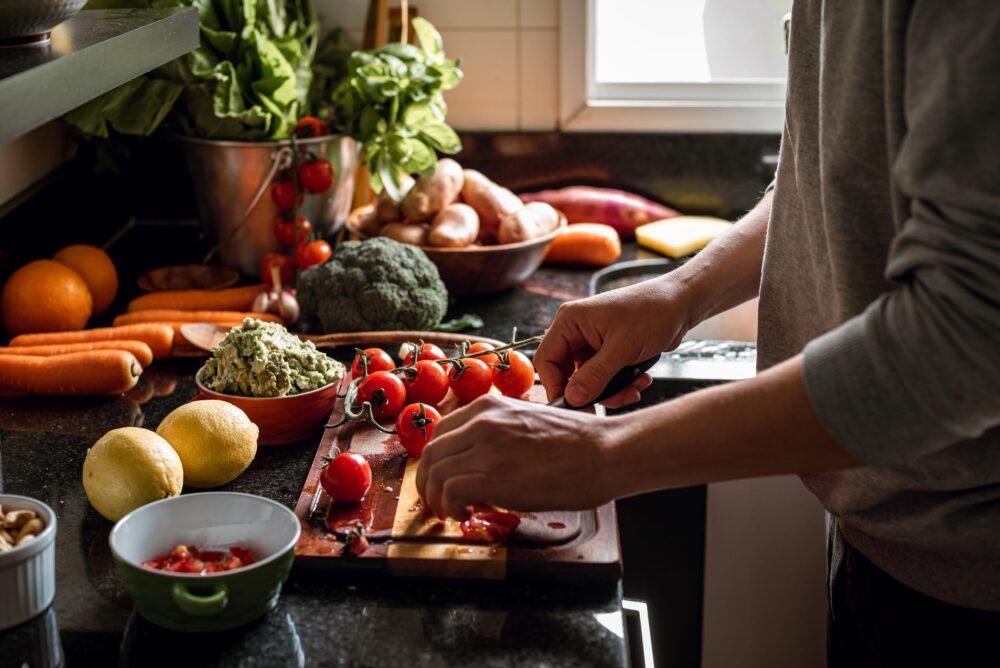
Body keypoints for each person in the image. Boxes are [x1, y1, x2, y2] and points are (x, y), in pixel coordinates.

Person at [416, 1, 1000, 664]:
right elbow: (834, 175)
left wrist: (604, 453)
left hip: (975, 593)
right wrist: (680, 293)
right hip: (886, 537)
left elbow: (969, 336)